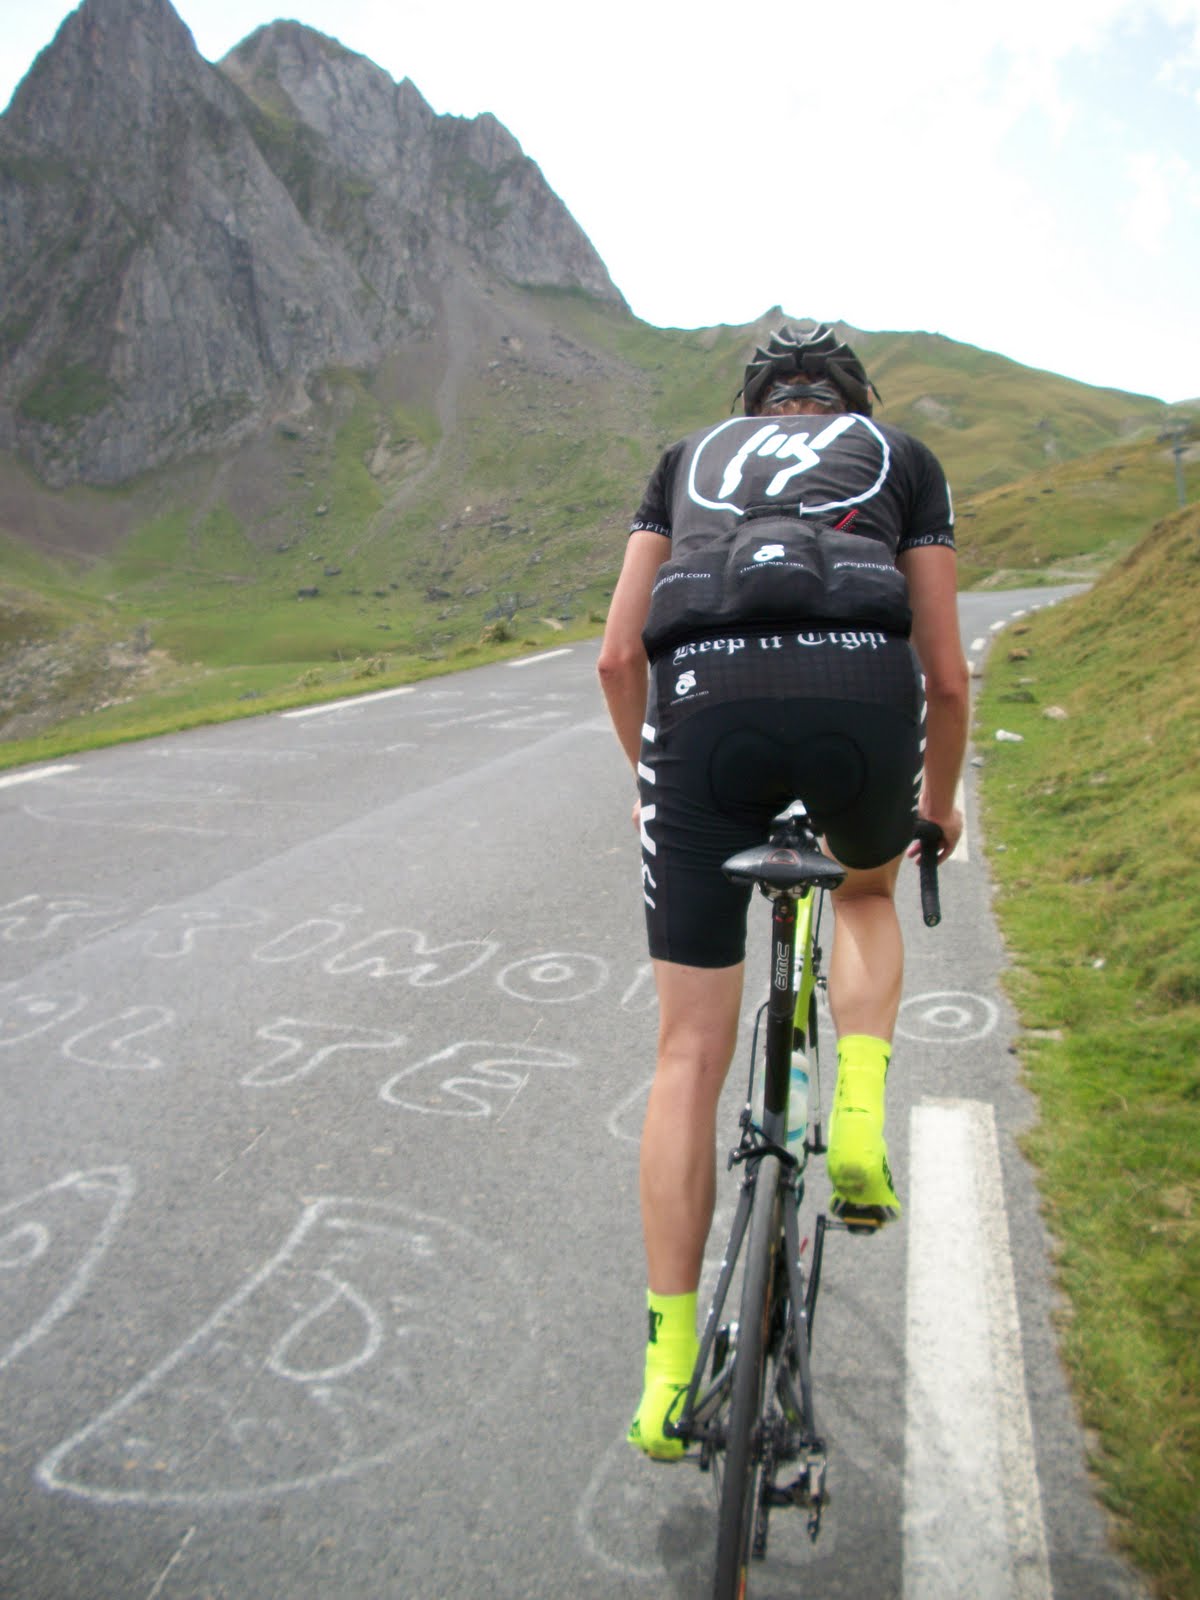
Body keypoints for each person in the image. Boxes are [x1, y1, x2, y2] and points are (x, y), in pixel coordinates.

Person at [597, 322, 969, 1460]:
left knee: (686, 1055)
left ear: (755, 404)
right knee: (862, 894)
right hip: (862, 699)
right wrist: (938, 808)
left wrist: (651, 783)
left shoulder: (685, 459)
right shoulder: (902, 457)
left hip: (701, 717)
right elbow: (948, 674)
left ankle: (666, 1379)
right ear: (851, 403)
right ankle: (856, 1118)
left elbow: (618, 658)